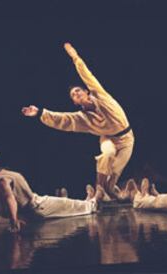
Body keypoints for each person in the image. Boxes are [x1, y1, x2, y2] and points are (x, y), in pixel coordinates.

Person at [22, 42, 134, 199]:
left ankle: (111, 191)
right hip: (108, 138)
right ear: (75, 102)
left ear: (87, 92)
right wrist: (39, 113)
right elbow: (62, 119)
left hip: (127, 139)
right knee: (107, 154)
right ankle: (98, 191)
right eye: (73, 95)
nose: (76, 94)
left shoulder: (100, 96)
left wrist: (75, 57)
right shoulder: (82, 119)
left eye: (78, 91)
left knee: (113, 175)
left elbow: (87, 76)